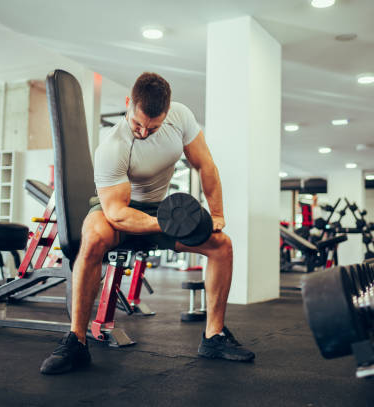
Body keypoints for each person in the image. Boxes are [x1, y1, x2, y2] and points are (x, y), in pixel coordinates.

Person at [40, 72, 255, 375]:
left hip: (159, 208)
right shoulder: (112, 147)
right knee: (94, 234)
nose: (142, 132)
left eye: (151, 127)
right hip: (117, 207)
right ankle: (76, 340)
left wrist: (216, 215)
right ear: (129, 103)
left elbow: (205, 164)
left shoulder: (180, 118)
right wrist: (170, 224)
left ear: (166, 114)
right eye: (137, 123)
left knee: (222, 246)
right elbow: (116, 213)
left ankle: (214, 336)